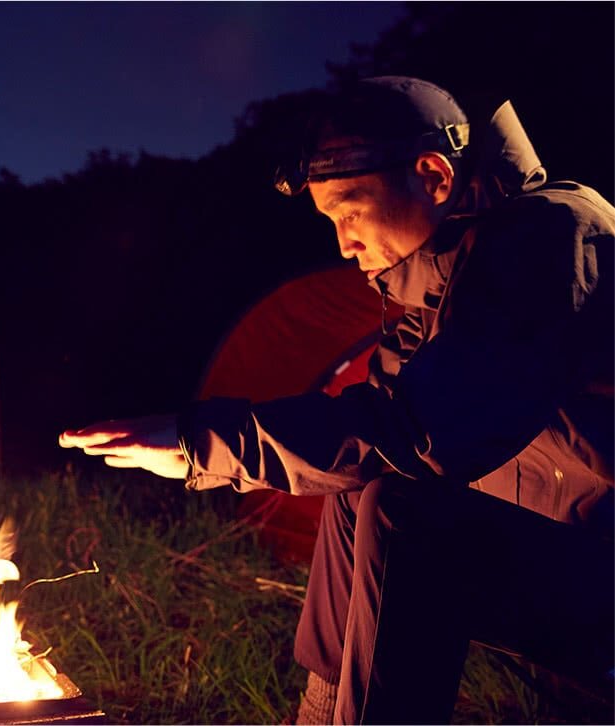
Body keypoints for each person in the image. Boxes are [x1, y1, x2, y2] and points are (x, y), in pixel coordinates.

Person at [59, 77, 614, 724]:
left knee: (403, 507)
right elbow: (372, 433)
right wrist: (193, 443)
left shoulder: (557, 233)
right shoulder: (427, 281)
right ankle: (320, 716)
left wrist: (199, 443)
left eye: (350, 212)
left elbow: (421, 431)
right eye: (330, 222)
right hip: (567, 549)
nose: (343, 244)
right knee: (360, 490)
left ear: (433, 176)